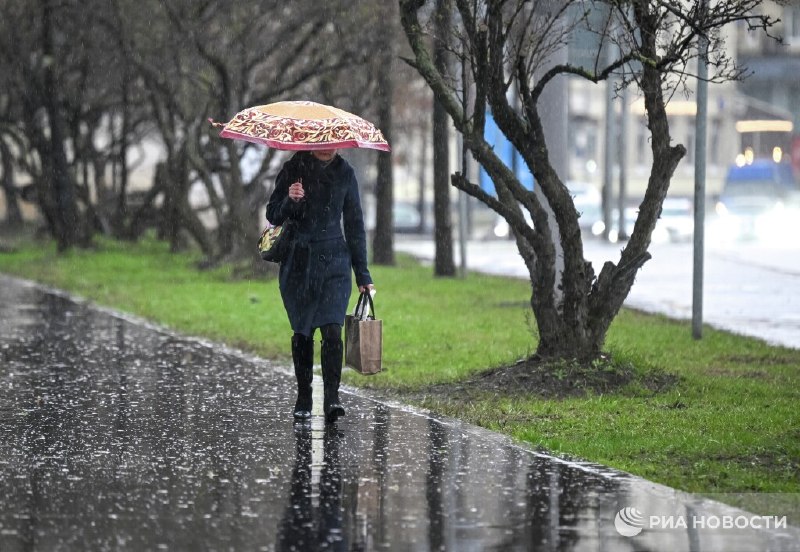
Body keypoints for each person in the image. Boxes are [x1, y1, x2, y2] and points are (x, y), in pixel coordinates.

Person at [266, 148, 374, 423]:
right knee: (302, 333)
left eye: (333, 140)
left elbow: (354, 224)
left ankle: (332, 398)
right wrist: (290, 200)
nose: (328, 146)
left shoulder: (345, 173)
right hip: (298, 264)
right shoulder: (294, 167)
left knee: (332, 330)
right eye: (322, 140)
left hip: (335, 264)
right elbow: (273, 214)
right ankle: (304, 397)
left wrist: (362, 274)